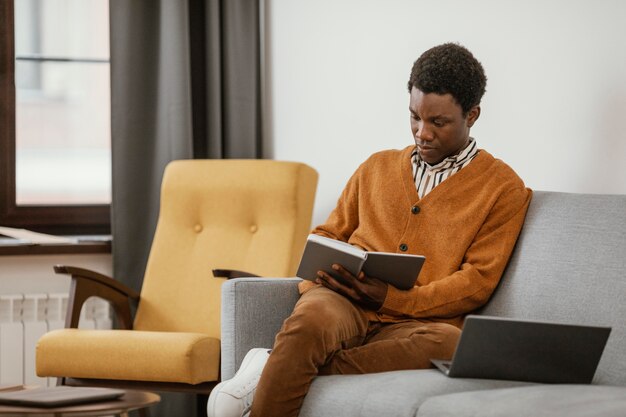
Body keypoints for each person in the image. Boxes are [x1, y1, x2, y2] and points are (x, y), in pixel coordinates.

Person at [207, 42, 533, 417]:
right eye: (414, 117)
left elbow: (477, 281)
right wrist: (329, 272)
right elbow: (329, 234)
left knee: (450, 343)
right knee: (311, 320)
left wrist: (393, 299)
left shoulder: (503, 188)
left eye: (437, 122)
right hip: (343, 301)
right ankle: (287, 364)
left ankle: (274, 367)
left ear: (472, 114)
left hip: (418, 323)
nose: (421, 133)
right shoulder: (376, 167)